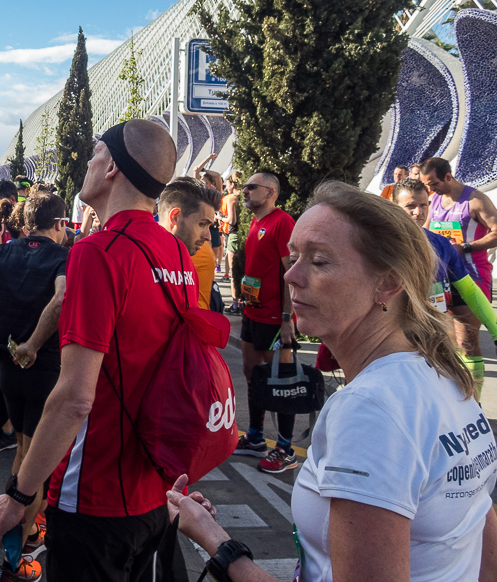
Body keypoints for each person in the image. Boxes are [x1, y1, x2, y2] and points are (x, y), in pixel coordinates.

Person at [167, 181, 497, 582]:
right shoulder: (444, 374)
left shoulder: (370, 409)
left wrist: (216, 543)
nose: (291, 275)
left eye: (319, 261)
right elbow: (483, 548)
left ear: (388, 283)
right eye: (293, 257)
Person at [0, 119, 188, 582]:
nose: (88, 161)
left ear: (113, 167)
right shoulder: (175, 252)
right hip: (151, 489)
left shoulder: (98, 252)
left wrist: (20, 495)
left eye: (96, 152)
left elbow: (76, 396)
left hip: (95, 492)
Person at [0, 191, 69, 580]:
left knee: (24, 448)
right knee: (37, 460)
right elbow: (61, 299)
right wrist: (35, 344)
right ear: (58, 224)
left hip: (6, 366)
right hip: (40, 366)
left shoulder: (3, 252)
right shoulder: (61, 255)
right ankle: (16, 558)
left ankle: (24, 528)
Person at [234, 171, 298, 474]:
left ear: (271, 192)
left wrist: (287, 318)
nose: (245, 191)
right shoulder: (257, 222)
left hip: (275, 318)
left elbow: (290, 274)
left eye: (251, 187)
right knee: (253, 374)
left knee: (279, 381)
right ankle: (256, 437)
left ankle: (285, 449)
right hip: (252, 312)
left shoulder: (283, 222)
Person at [391, 179, 497, 349]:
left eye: (424, 205)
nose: (418, 212)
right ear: (394, 205)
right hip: (393, 339)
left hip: (434, 336)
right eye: (410, 206)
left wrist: (495, 331)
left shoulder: (442, 244)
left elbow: (469, 290)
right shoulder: (380, 243)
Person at [422, 156, 497, 391]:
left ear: (448, 176)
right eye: (427, 185)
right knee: (445, 342)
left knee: (467, 341)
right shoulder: (432, 201)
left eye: (433, 183)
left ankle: (474, 401)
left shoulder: (475, 201)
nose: (430, 189)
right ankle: (453, 398)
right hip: (440, 277)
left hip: (471, 275)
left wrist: (464, 248)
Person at [158, 177, 220, 310]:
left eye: (208, 226)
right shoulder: (138, 256)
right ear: (175, 217)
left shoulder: (195, 250)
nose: (207, 236)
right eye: (202, 224)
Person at [223, 173, 243, 312]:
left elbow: (232, 220)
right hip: (245, 233)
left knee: (233, 272)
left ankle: (236, 303)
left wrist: (220, 217)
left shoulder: (232, 199)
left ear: (232, 184)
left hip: (234, 235)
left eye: (227, 184)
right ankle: (243, 301)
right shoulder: (245, 197)